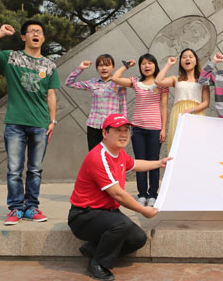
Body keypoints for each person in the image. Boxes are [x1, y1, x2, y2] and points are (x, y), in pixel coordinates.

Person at [0, 20, 59, 225]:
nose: (35, 34)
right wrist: (0, 33)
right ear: (24, 37)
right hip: (15, 124)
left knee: (35, 170)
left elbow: (51, 94)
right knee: (14, 170)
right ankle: (15, 209)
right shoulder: (11, 57)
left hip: (40, 124)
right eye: (31, 31)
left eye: (39, 31)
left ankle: (32, 207)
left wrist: (53, 120)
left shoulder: (49, 65)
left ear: (43, 38)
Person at [68, 113, 172, 281]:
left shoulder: (119, 153)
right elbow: (118, 194)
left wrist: (159, 163)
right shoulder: (99, 157)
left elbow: (136, 164)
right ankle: (98, 264)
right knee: (121, 224)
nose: (123, 134)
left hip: (106, 212)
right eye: (118, 130)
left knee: (138, 238)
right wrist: (142, 210)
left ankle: (93, 250)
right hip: (84, 215)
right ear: (105, 133)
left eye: (126, 130)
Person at [112, 54, 168, 208]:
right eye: (143, 63)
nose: (147, 66)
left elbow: (164, 107)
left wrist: (163, 128)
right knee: (139, 162)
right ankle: (142, 194)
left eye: (150, 63)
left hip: (155, 128)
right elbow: (115, 78)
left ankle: (153, 195)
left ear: (155, 65)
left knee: (154, 162)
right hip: (137, 128)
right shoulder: (136, 82)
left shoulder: (161, 84)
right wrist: (126, 66)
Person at [65, 54, 128, 150]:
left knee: (111, 155)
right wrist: (80, 68)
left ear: (113, 67)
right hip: (94, 125)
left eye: (107, 65)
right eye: (101, 65)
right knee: (94, 156)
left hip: (111, 126)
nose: (104, 68)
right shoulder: (92, 82)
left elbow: (123, 105)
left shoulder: (119, 83)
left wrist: (123, 124)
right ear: (97, 68)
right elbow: (69, 83)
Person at [154, 48, 210, 151]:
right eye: (184, 57)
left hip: (196, 113)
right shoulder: (176, 79)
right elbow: (158, 81)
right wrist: (169, 64)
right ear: (180, 62)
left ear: (196, 61)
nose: (187, 59)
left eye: (190, 56)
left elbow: (206, 102)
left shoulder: (202, 80)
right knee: (177, 146)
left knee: (195, 145)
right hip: (179, 113)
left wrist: (191, 110)